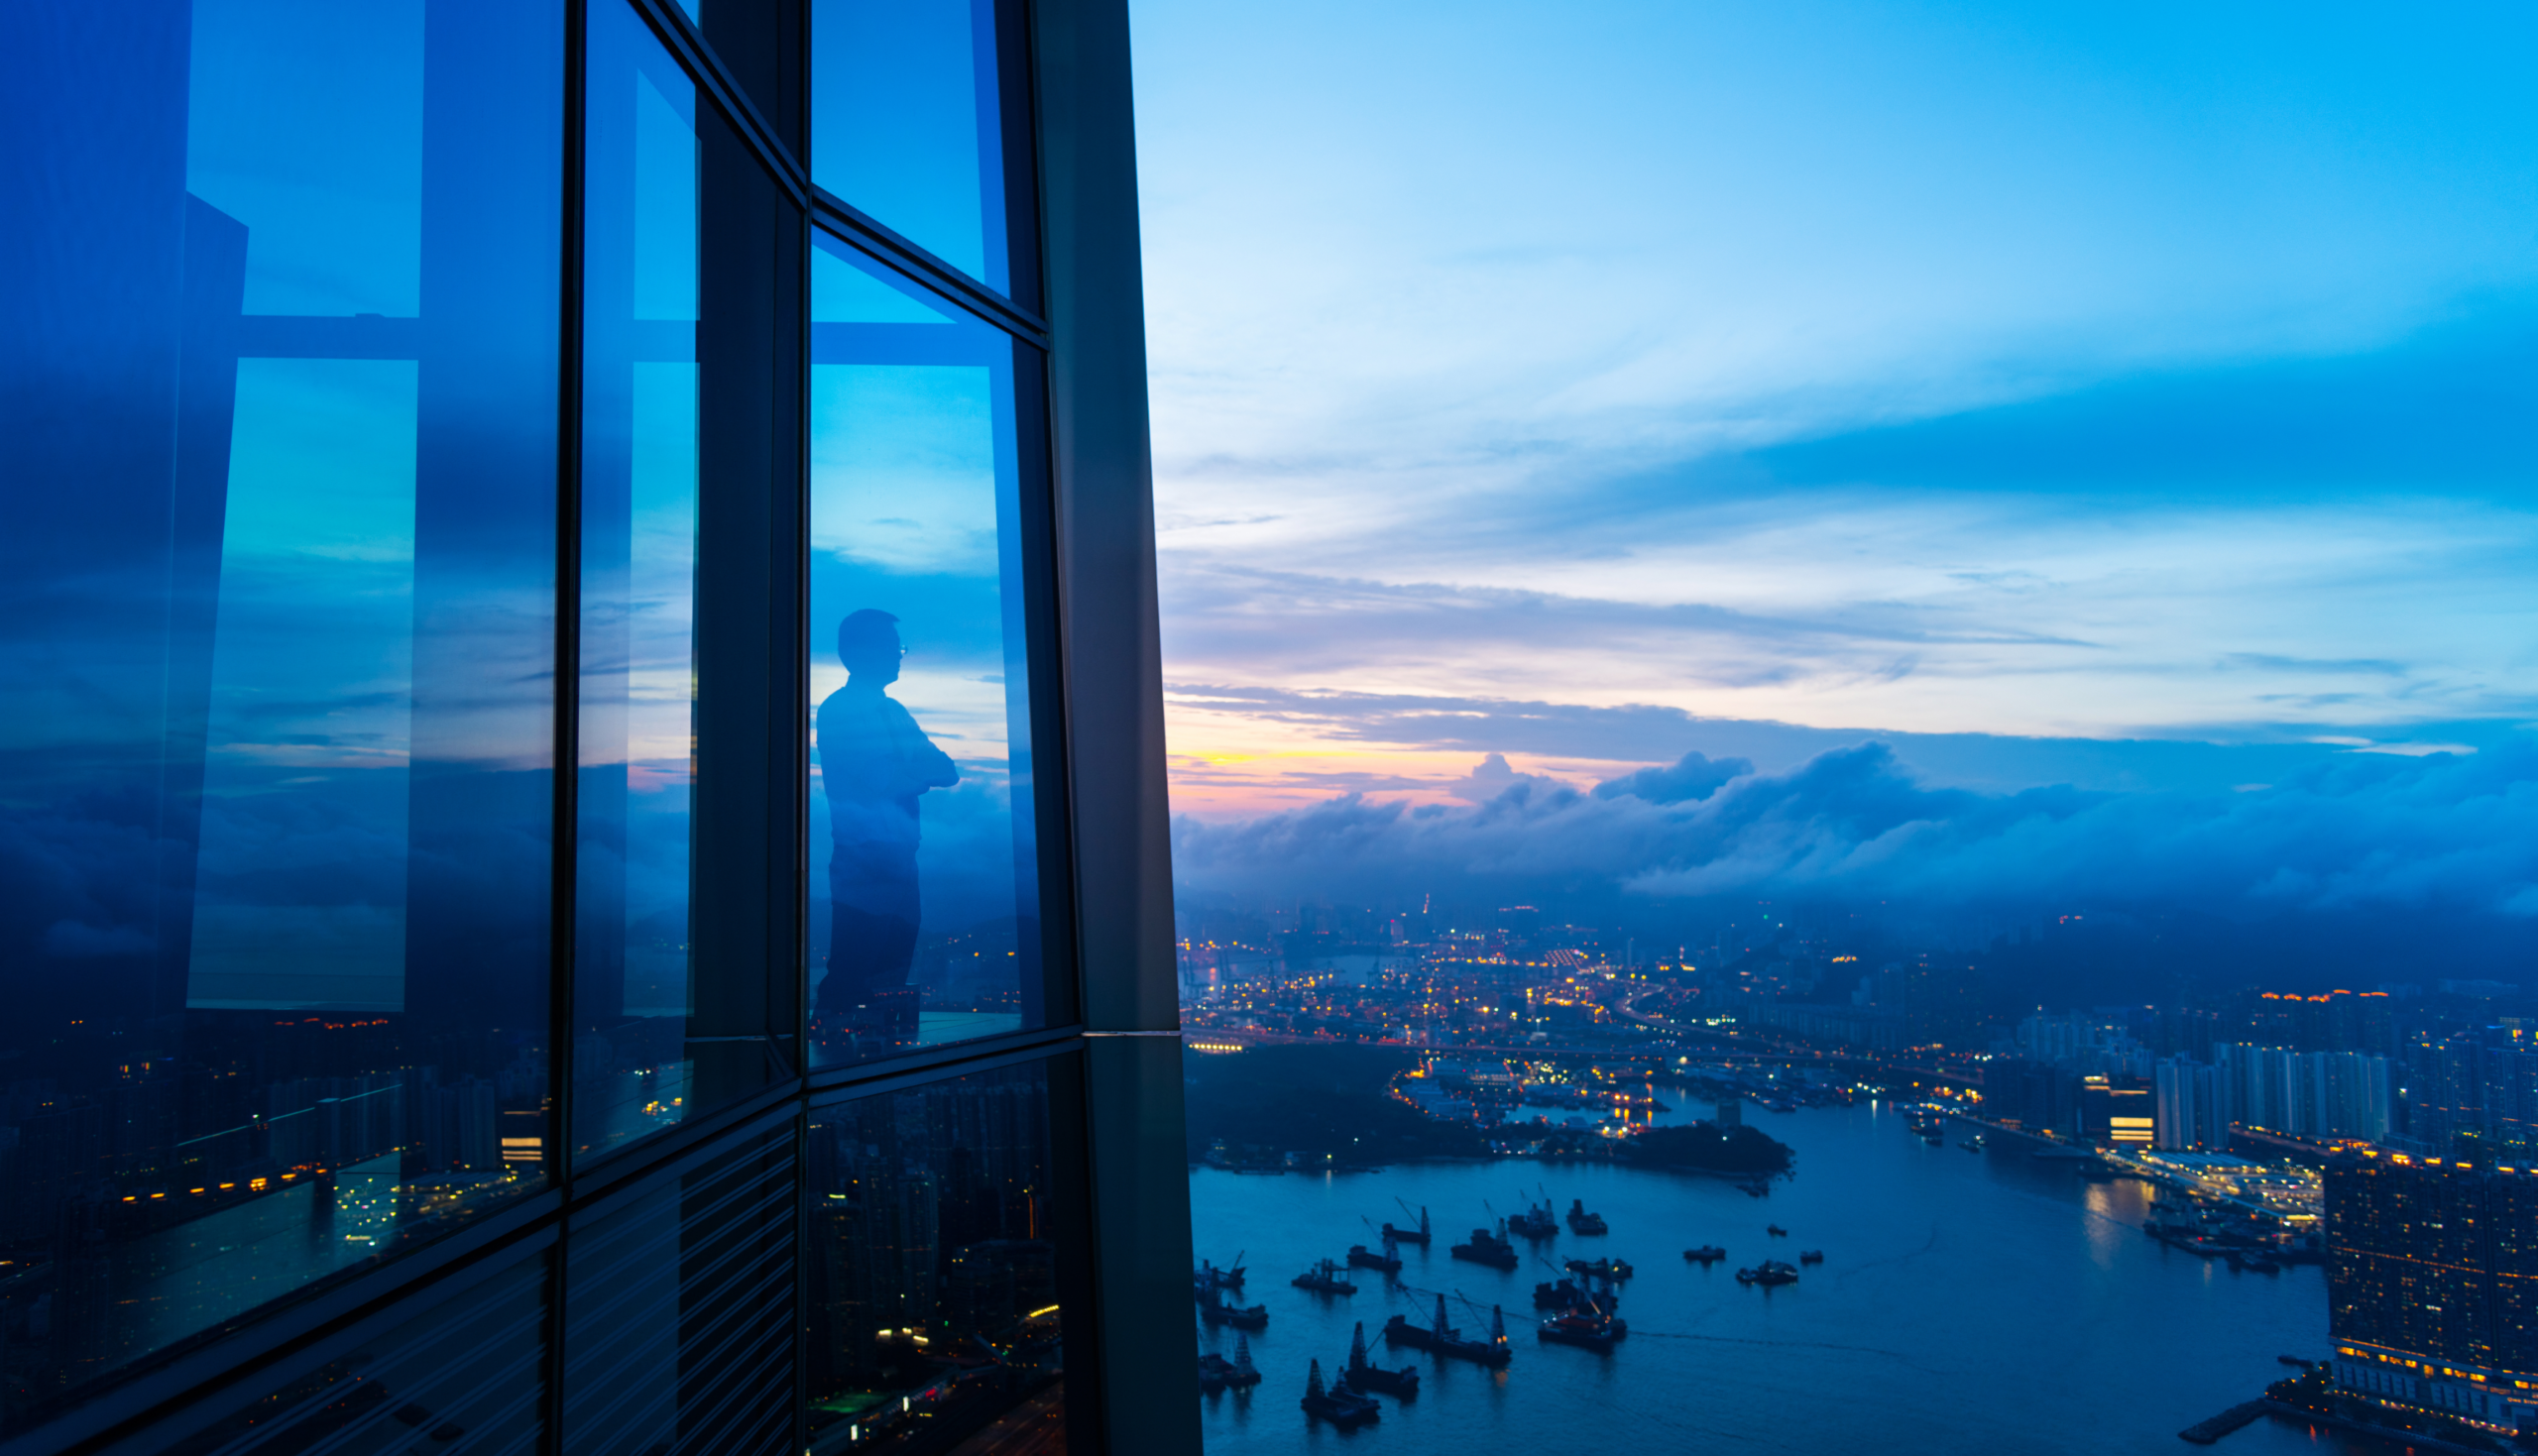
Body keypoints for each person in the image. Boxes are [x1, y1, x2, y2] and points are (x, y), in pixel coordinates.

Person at [814, 609, 958, 1051]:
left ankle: (873, 1053)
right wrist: (911, 774)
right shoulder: (840, 712)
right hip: (864, 856)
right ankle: (834, 1055)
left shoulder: (891, 711)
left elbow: (946, 771)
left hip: (899, 857)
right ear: (858, 653)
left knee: (892, 966)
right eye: (892, 649)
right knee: (854, 967)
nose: (899, 657)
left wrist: (904, 774)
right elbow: (884, 783)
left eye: (900, 649)